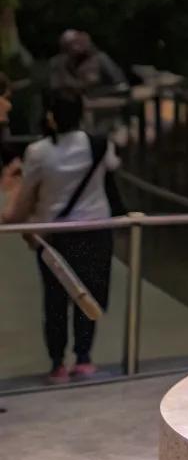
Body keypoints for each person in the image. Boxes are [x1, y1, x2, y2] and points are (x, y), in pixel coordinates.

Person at [0, 89, 119, 382]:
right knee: (88, 295)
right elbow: (113, 168)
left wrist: (15, 216)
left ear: (50, 115)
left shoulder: (39, 151)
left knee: (55, 301)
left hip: (54, 237)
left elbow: (27, 196)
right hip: (94, 231)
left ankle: (57, 365)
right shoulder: (99, 144)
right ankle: (84, 358)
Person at [47, 29, 125, 98]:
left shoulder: (99, 58)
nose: (75, 47)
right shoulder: (59, 62)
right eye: (70, 44)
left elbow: (120, 84)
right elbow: (56, 87)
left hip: (104, 100)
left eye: (77, 42)